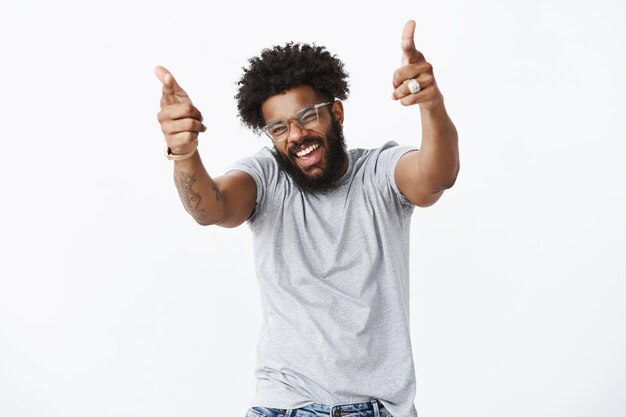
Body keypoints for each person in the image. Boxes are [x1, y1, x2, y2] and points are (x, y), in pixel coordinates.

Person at [154, 20, 459, 417]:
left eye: (308, 117)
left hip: (379, 408)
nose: (295, 135)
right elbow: (210, 208)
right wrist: (184, 152)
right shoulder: (266, 176)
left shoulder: (380, 171)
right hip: (284, 405)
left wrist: (431, 106)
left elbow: (437, 176)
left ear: (336, 112)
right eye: (279, 127)